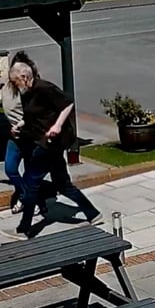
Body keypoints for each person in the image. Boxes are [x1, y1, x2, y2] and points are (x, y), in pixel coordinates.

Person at [2, 63, 102, 240]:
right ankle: (93, 214)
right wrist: (19, 125)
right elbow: (33, 116)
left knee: (31, 183)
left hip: (48, 144)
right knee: (62, 184)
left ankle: (24, 229)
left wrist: (57, 125)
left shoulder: (44, 88)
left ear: (24, 78)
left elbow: (67, 104)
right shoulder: (27, 94)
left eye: (15, 82)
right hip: (44, 142)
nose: (15, 85)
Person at [0, 51, 45, 215]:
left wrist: (20, 124)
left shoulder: (30, 90)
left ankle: (33, 202)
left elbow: (36, 114)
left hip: (30, 136)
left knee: (29, 173)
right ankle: (26, 196)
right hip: (15, 138)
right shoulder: (6, 87)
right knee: (10, 169)